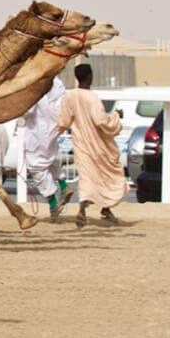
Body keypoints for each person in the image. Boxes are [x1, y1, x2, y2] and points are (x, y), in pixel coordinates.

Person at [58, 63, 127, 226]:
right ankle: (85, 209)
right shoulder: (92, 98)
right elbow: (101, 121)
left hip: (81, 142)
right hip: (98, 145)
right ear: (90, 76)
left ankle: (102, 209)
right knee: (104, 175)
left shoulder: (70, 96)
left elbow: (64, 121)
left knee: (87, 176)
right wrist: (116, 116)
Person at [16, 76, 72, 220]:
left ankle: (53, 205)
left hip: (37, 131)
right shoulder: (58, 82)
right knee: (49, 159)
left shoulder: (35, 81)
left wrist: (16, 110)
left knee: (36, 167)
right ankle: (63, 185)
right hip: (53, 129)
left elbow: (28, 109)